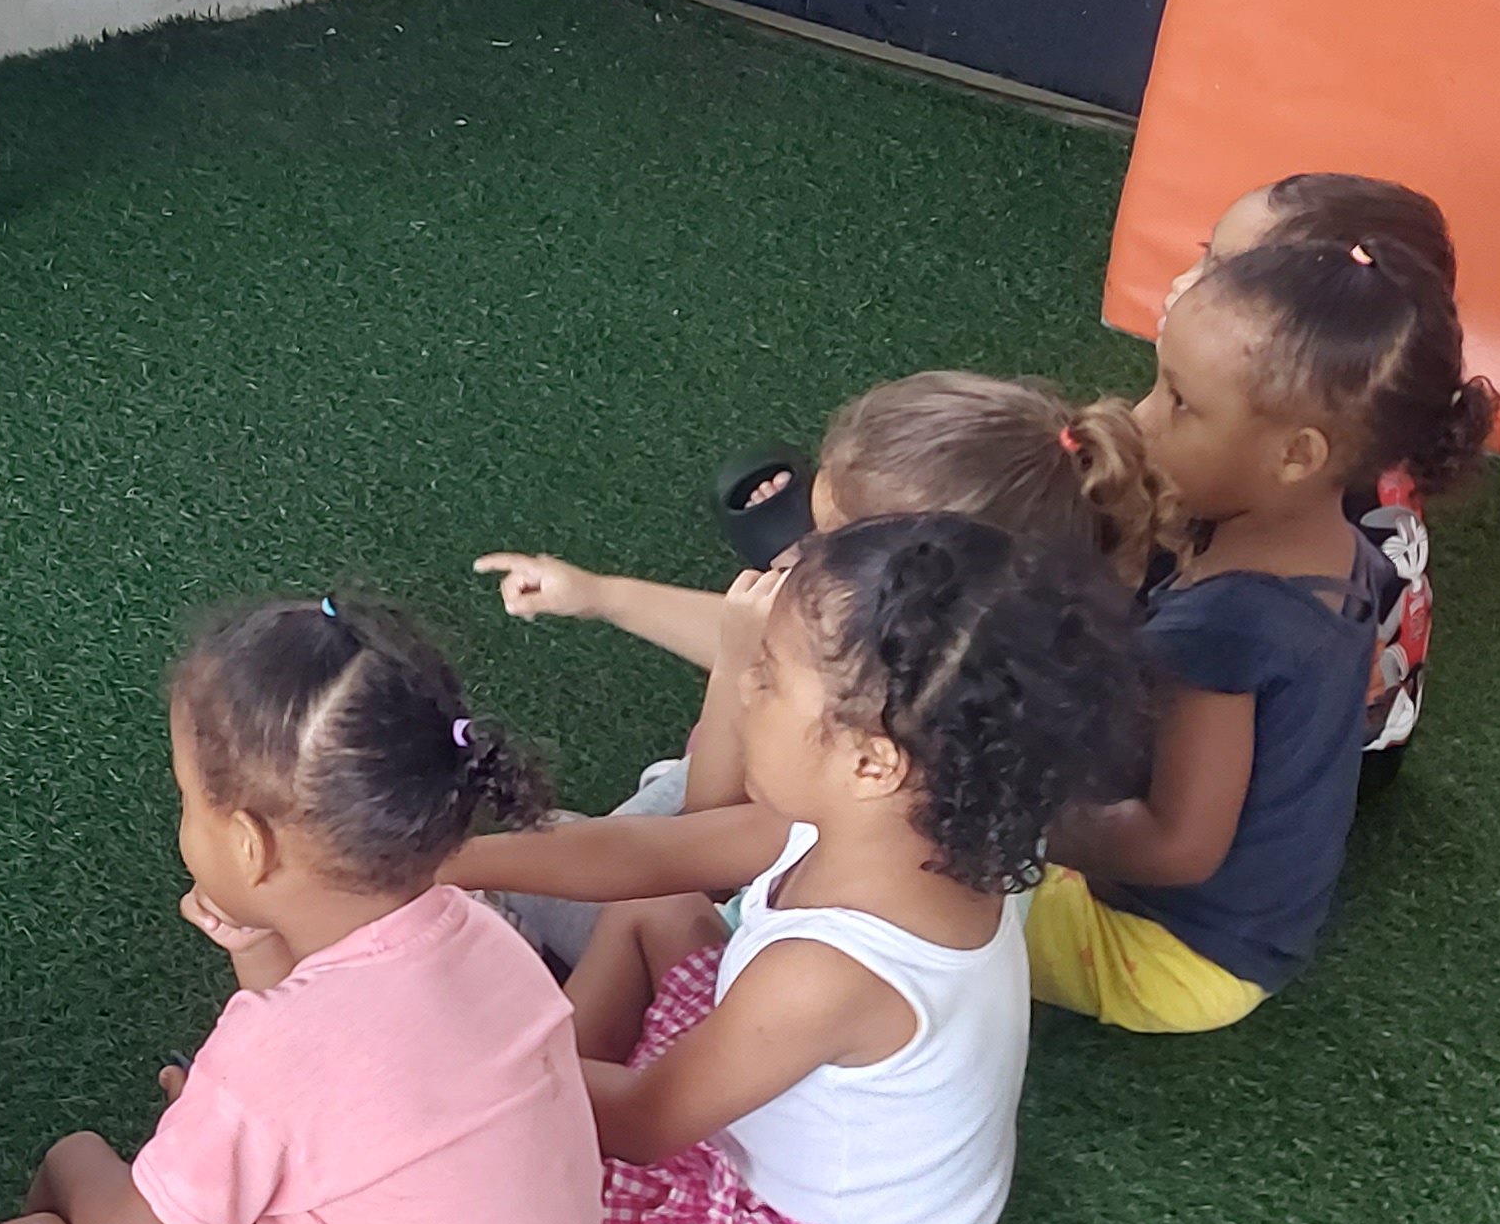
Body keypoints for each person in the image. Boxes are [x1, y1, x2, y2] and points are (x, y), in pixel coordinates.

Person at [444, 516, 1145, 1224]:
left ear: (871, 761)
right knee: (657, 910)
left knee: (485, 1186)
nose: (744, 687)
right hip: (782, 1111)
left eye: (767, 677)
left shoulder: (833, 969)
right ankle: (539, 1071)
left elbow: (646, 1125)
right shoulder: (909, 827)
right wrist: (456, 862)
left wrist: (468, 1067)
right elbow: (655, 858)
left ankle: (520, 1079)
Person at [0, 595, 606, 1224]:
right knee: (205, 1192)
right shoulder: (484, 936)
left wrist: (83, 1166)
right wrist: (257, 954)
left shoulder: (276, 1051)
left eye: (187, 799)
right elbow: (349, 1072)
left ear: (247, 845)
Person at [472, 369, 1168, 959]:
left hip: (726, 922)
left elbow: (696, 852)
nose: (798, 557)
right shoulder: (966, 705)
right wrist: (602, 595)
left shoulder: (867, 789)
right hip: (753, 835)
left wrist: (735, 674)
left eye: (831, 543)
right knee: (568, 841)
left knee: (530, 870)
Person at [1032, 229, 1500, 1031]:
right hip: (1256, 926)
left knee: (908, 839)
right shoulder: (1333, 546)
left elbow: (1179, 847)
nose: (1142, 418)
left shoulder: (1227, 626)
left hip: (1172, 959)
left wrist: (1028, 824)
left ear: (1295, 455)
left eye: (1180, 403)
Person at [1161, 174, 1462, 783]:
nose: (1184, 285)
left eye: (1226, 274)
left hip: (1319, 762)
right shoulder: (1357, 429)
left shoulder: (1285, 504)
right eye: (1205, 256)